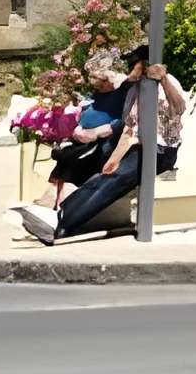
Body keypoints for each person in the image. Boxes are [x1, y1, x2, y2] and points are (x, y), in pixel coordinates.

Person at [21, 59, 185, 244]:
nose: (133, 71)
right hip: (139, 148)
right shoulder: (134, 91)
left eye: (136, 66)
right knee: (105, 176)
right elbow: (129, 129)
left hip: (162, 151)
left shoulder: (168, 81)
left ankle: (64, 222)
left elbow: (179, 107)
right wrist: (114, 160)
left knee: (114, 179)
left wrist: (163, 80)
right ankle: (62, 218)